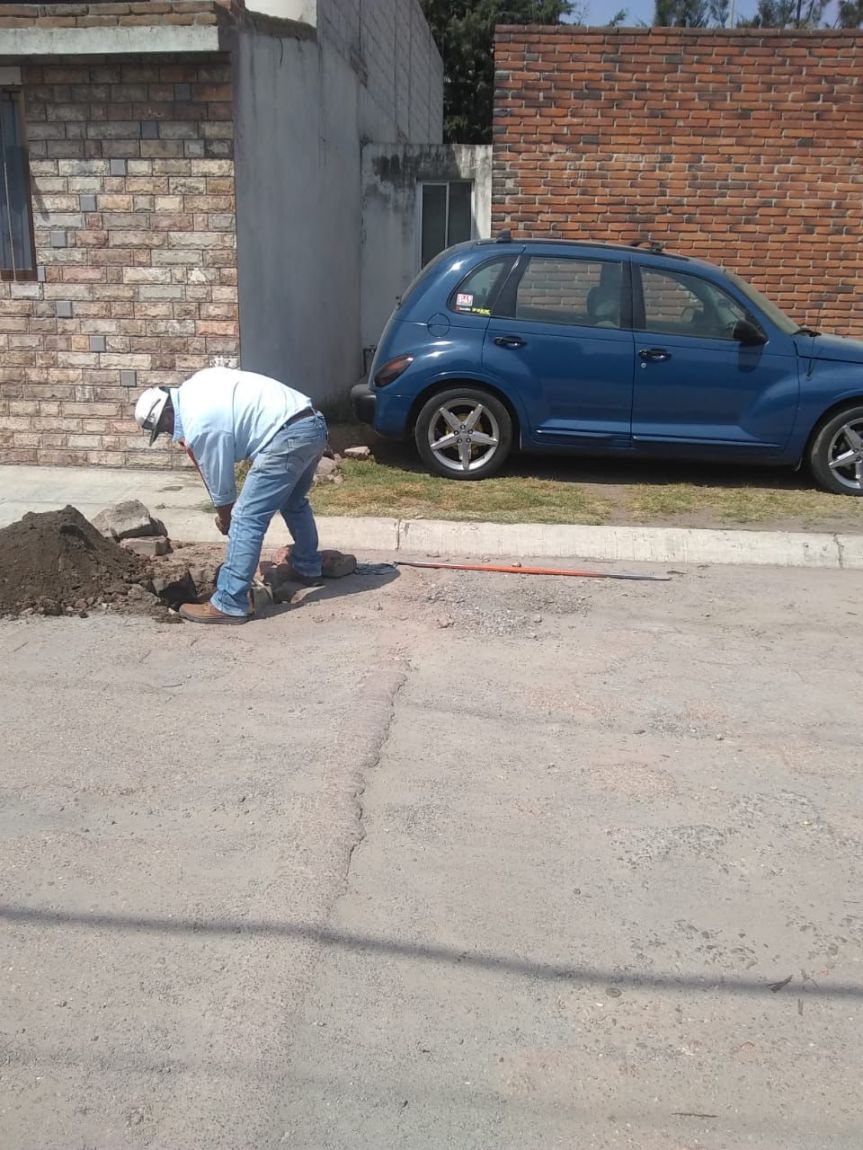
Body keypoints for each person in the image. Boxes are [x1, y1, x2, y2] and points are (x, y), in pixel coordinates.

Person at [134, 367, 327, 625]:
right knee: (293, 502)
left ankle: (230, 602)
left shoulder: (200, 424)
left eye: (164, 427)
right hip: (312, 424)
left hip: (285, 437)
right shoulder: (196, 386)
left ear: (168, 412)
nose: (169, 433)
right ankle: (307, 566)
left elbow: (222, 488)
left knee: (246, 518)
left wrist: (227, 519)